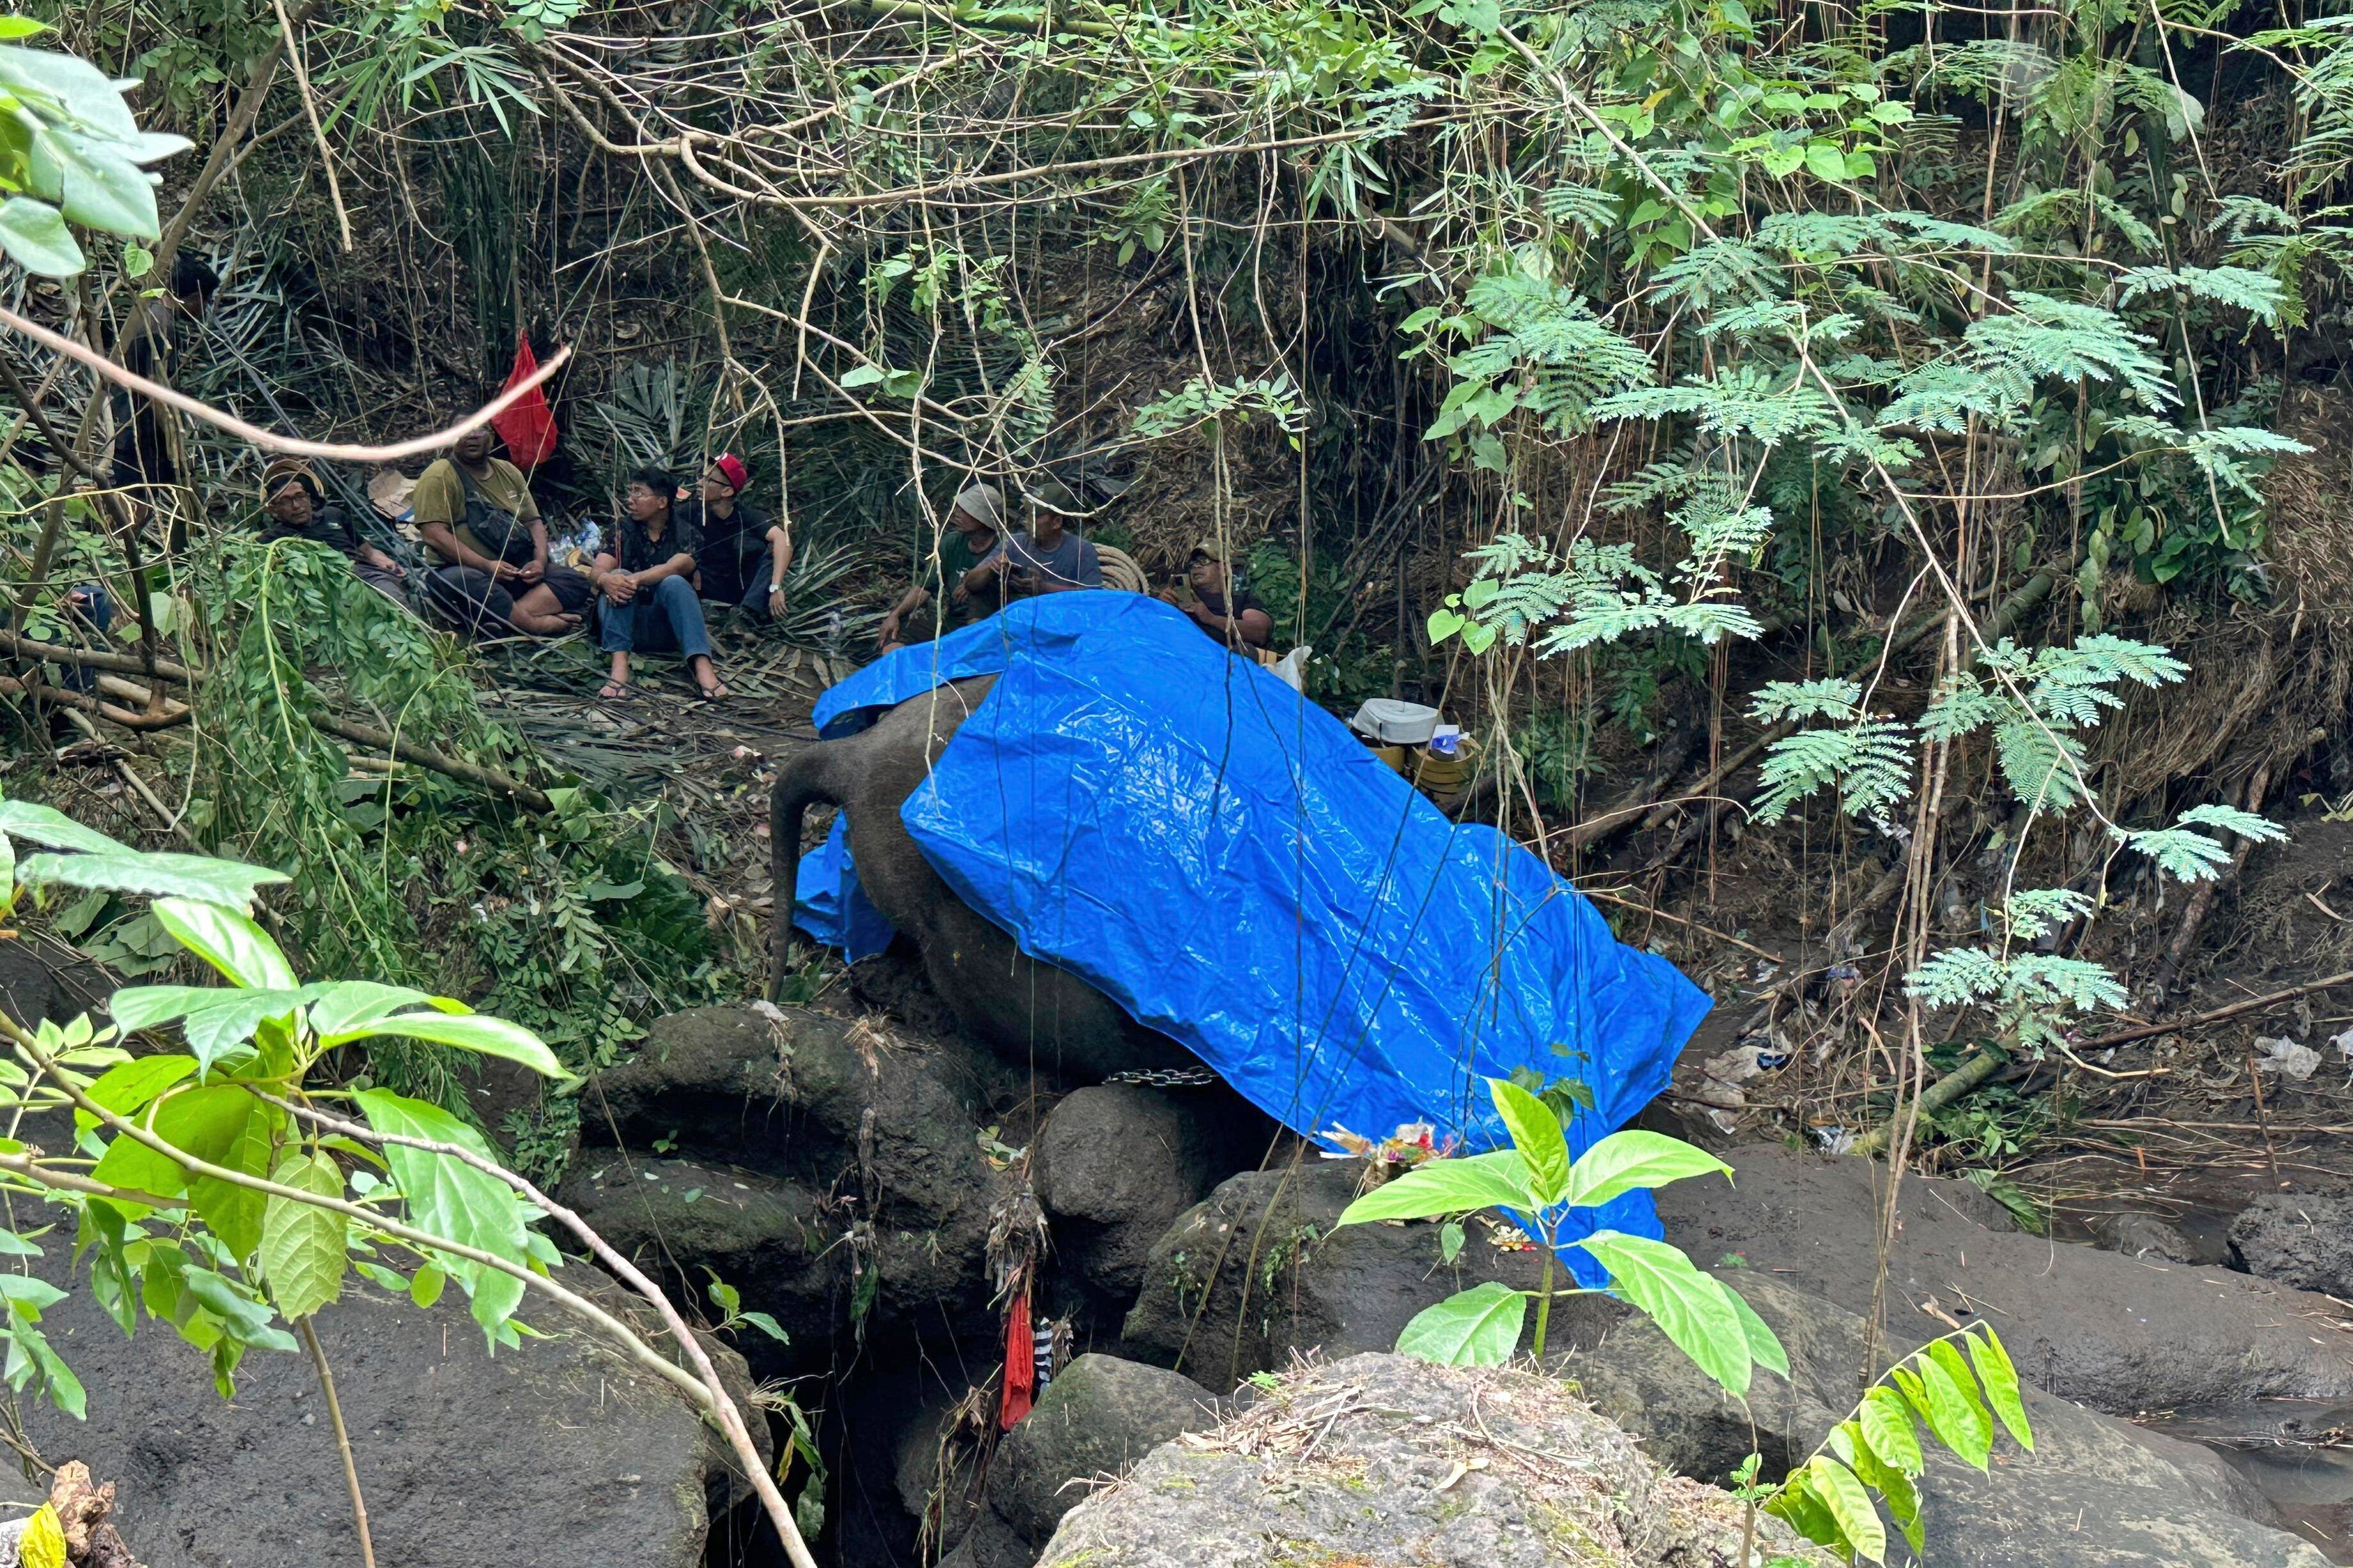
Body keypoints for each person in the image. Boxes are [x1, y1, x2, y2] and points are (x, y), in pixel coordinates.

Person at [411, 424, 590, 637]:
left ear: (493, 437)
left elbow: (533, 521)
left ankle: (505, 623)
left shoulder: (507, 471)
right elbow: (434, 534)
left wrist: (540, 561)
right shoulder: (439, 474)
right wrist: (486, 565)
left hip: (514, 570)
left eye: (480, 430)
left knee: (575, 581)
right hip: (464, 571)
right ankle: (535, 626)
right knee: (466, 581)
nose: (472, 437)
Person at [593, 468, 729, 701]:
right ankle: (619, 669)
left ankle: (703, 667)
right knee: (617, 575)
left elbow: (675, 567)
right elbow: (598, 569)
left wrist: (631, 580)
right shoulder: (621, 530)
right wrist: (607, 580)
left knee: (673, 582)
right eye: (630, 492)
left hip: (667, 628)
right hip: (623, 625)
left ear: (662, 502)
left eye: (640, 493)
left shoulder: (686, 534)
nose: (631, 499)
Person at [111, 255, 217, 534]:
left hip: (132, 424)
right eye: (204, 300)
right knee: (138, 502)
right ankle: (120, 554)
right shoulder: (160, 325)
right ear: (191, 297)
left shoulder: (150, 316)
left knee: (143, 495)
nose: (205, 308)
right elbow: (155, 387)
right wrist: (174, 437)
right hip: (142, 431)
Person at [255, 457, 407, 603]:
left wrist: (386, 562)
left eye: (300, 497)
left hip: (365, 575)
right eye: (286, 501)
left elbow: (369, 552)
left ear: (309, 497)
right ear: (274, 509)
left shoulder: (333, 515)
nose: (296, 506)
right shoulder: (272, 540)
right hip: (325, 589)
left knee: (392, 596)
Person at [877, 481, 1005, 652]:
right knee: (895, 637)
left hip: (985, 631)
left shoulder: (1004, 549)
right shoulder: (952, 543)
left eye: (966, 511)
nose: (957, 514)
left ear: (982, 518)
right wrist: (896, 615)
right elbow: (924, 589)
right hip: (950, 626)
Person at [684, 453, 793, 623]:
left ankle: (745, 619)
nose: (699, 483)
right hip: (705, 588)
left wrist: (776, 587)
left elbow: (782, 540)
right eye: (701, 477)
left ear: (727, 491)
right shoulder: (693, 510)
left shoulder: (747, 516)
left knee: (772, 553)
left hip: (740, 591)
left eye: (709, 480)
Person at [960, 478, 1102, 605]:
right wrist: (992, 567)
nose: (1027, 520)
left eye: (1035, 516)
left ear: (1056, 522)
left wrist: (1044, 588)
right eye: (1027, 513)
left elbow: (1095, 598)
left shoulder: (1081, 550)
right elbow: (971, 584)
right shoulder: (1015, 543)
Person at [1159, 537, 1272, 654]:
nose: (1196, 566)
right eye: (1193, 563)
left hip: (1220, 659)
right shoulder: (1182, 596)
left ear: (1224, 568)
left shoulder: (1240, 600)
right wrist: (1159, 606)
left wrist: (1211, 618)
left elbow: (1260, 632)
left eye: (1204, 561)